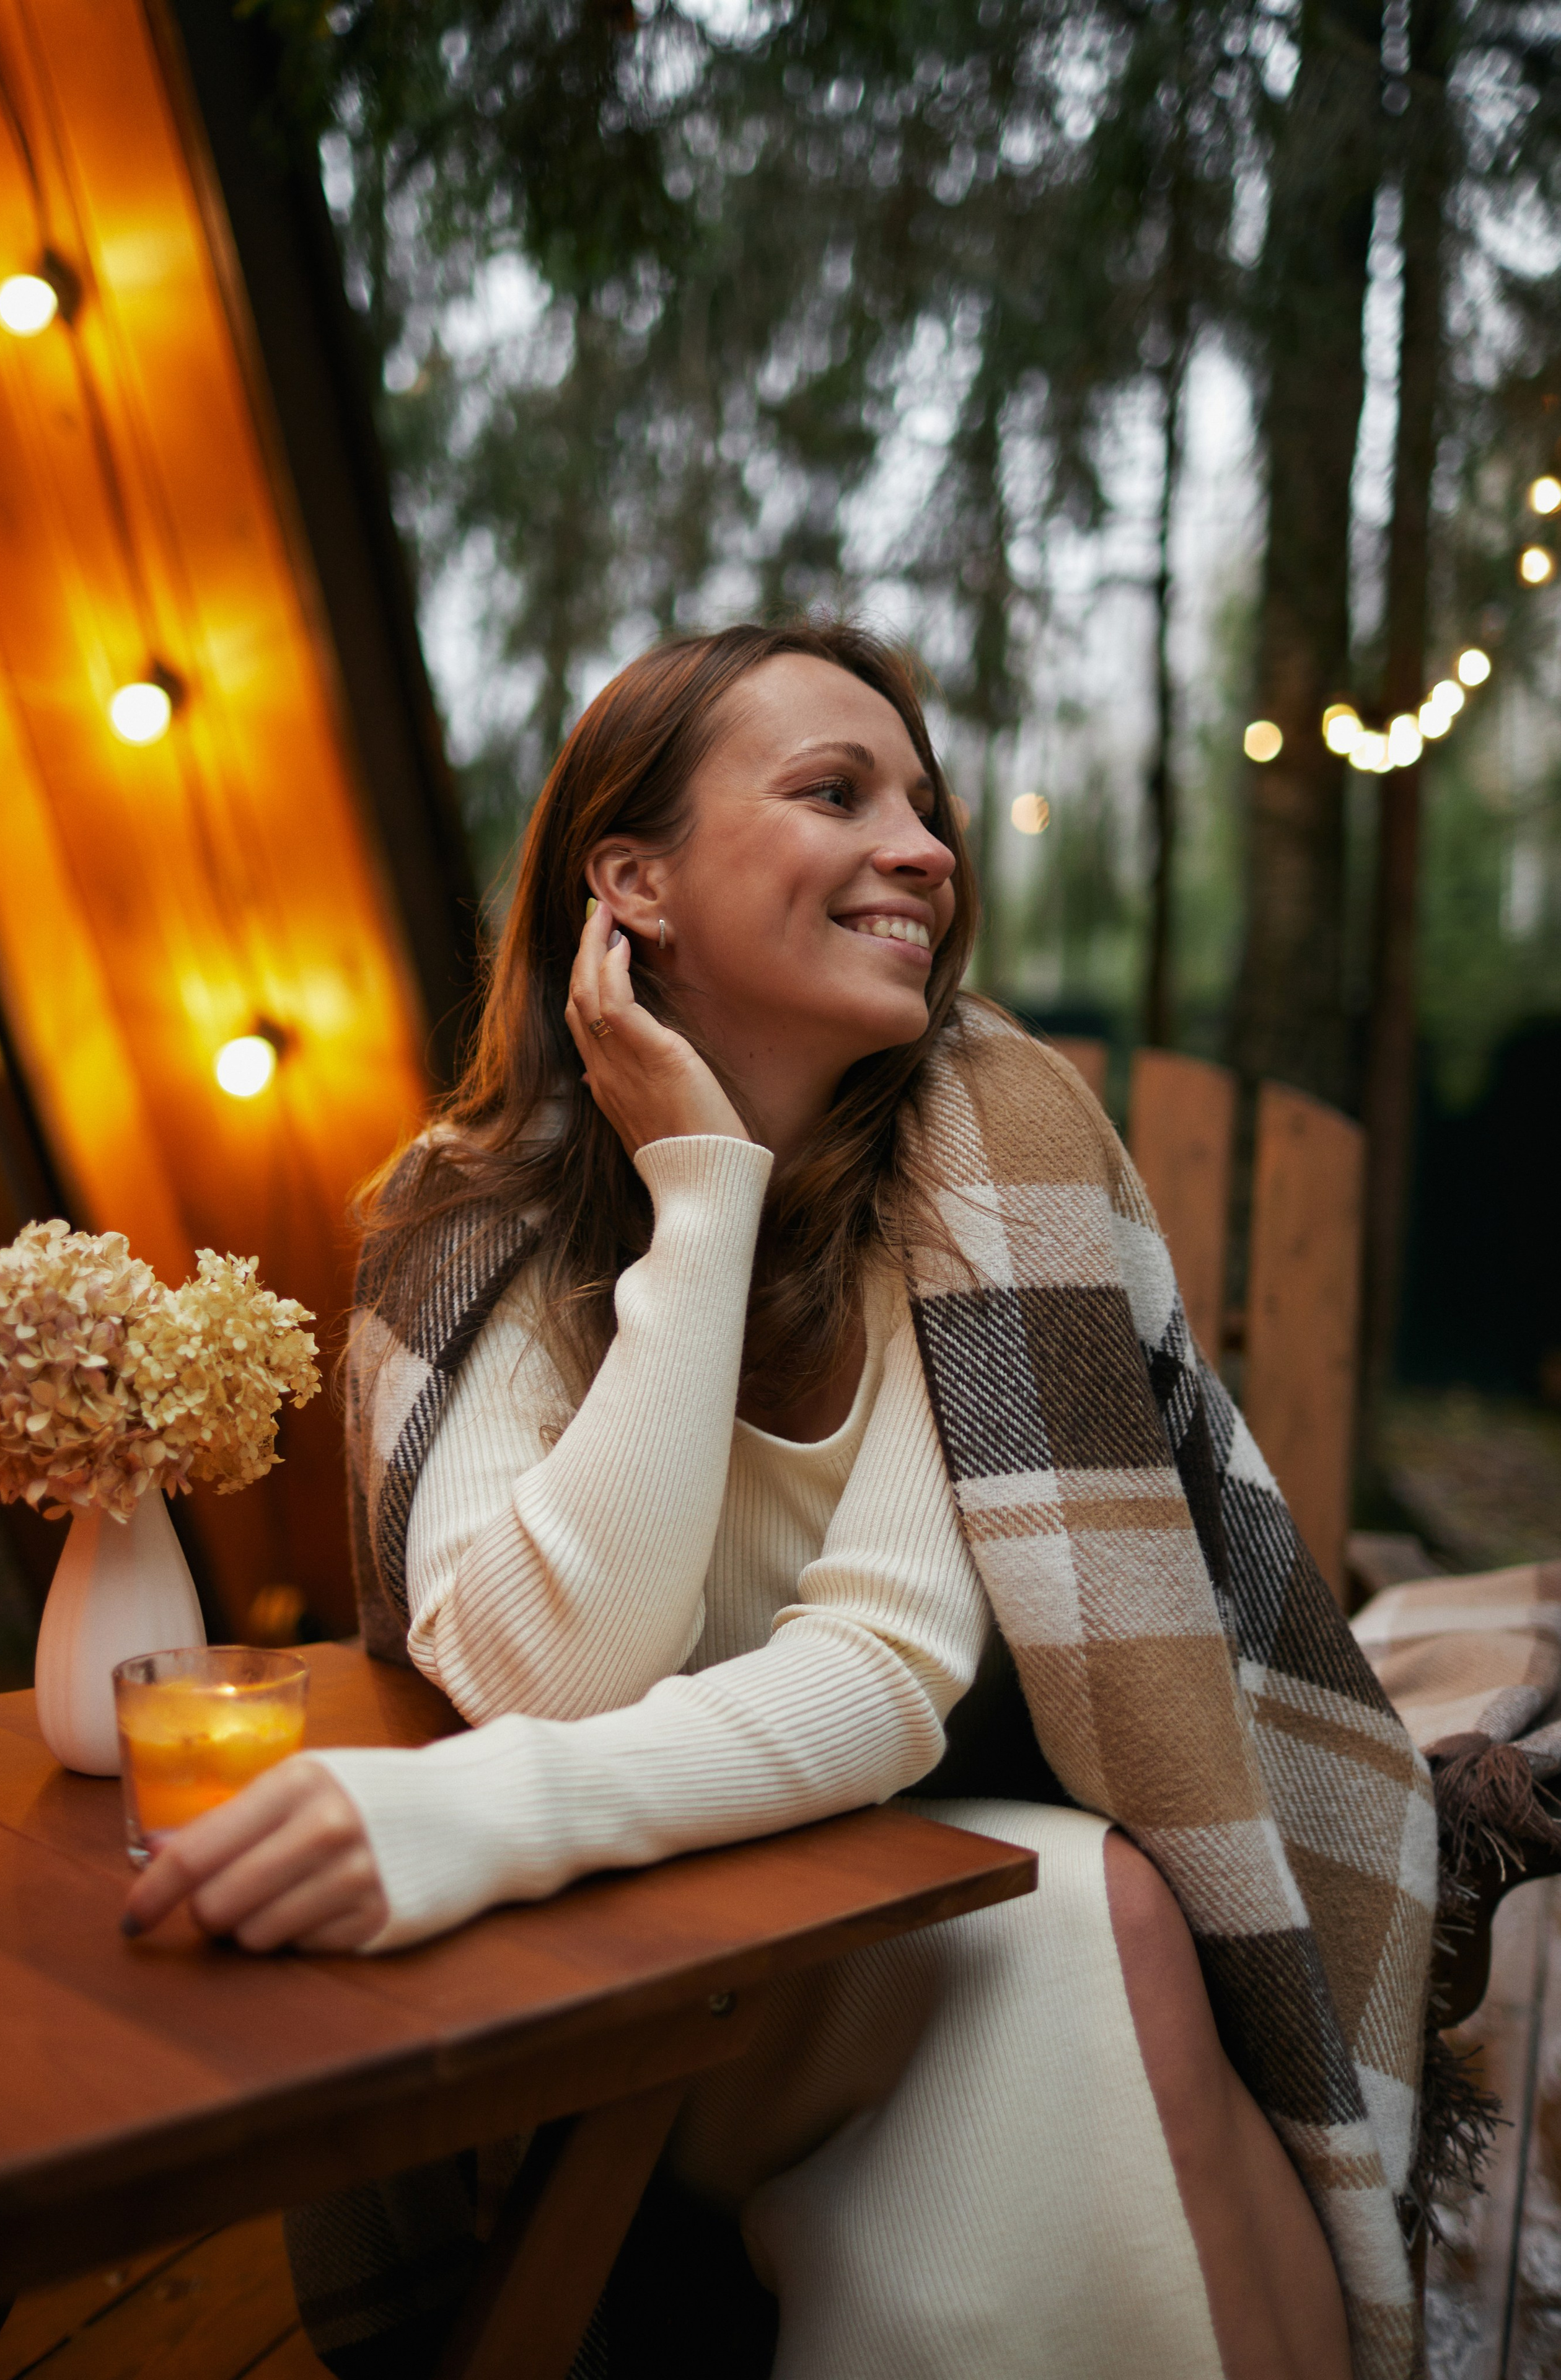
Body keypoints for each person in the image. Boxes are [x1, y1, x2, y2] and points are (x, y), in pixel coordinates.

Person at [125, 622, 1435, 2380]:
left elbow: (888, 1671)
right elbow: (547, 1666)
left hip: (903, 1873)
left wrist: (468, 1820)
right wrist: (704, 1191)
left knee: (1077, 1918)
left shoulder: (990, 1153)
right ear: (630, 879)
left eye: (924, 800)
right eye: (837, 792)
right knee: (1075, 1927)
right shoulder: (466, 1218)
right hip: (647, 1944)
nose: (925, 847)